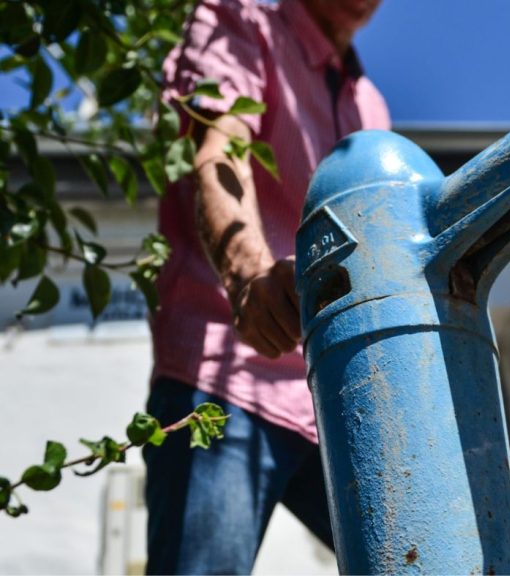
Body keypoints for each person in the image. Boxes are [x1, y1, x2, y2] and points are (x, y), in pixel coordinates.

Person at [144, 0, 389, 572]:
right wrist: (249, 275)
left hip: (335, 398)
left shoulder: (370, 104)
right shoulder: (235, 19)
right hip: (224, 379)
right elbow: (219, 146)